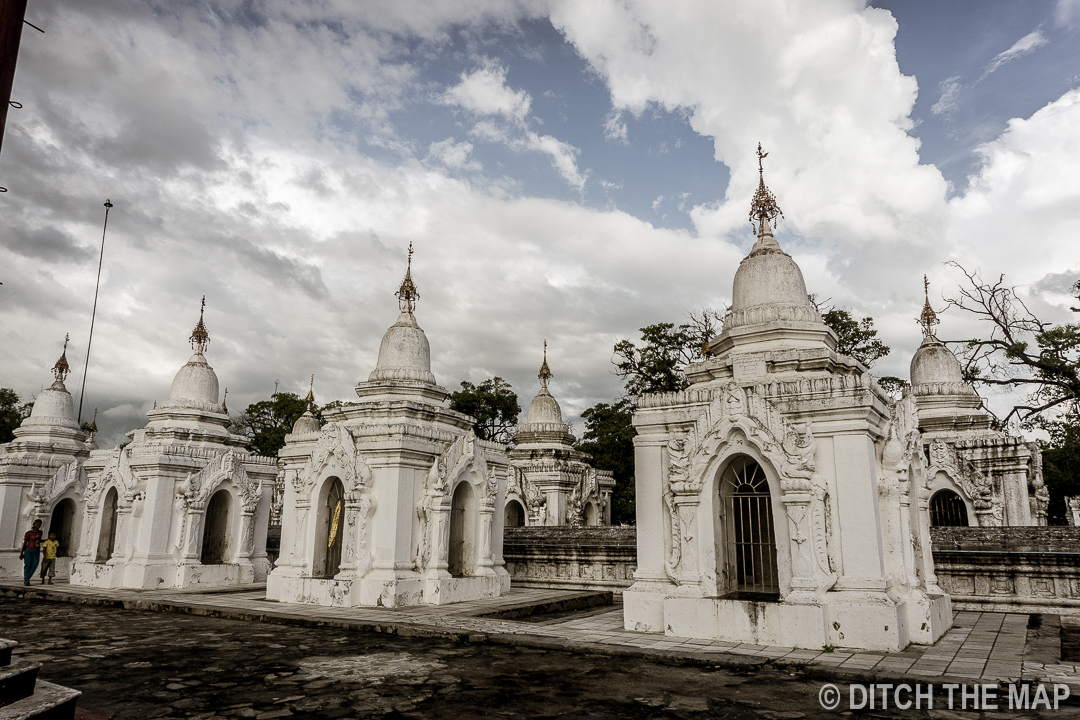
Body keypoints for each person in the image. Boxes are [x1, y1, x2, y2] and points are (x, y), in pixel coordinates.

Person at [19, 520, 43, 586]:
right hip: (28, 550)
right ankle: (27, 580)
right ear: (34, 524)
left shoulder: (40, 532)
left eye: (40, 524)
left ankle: (27, 578)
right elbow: (25, 543)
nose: (38, 525)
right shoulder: (28, 533)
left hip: (36, 550)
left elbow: (39, 540)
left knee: (35, 564)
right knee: (28, 565)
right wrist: (22, 553)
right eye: (37, 523)